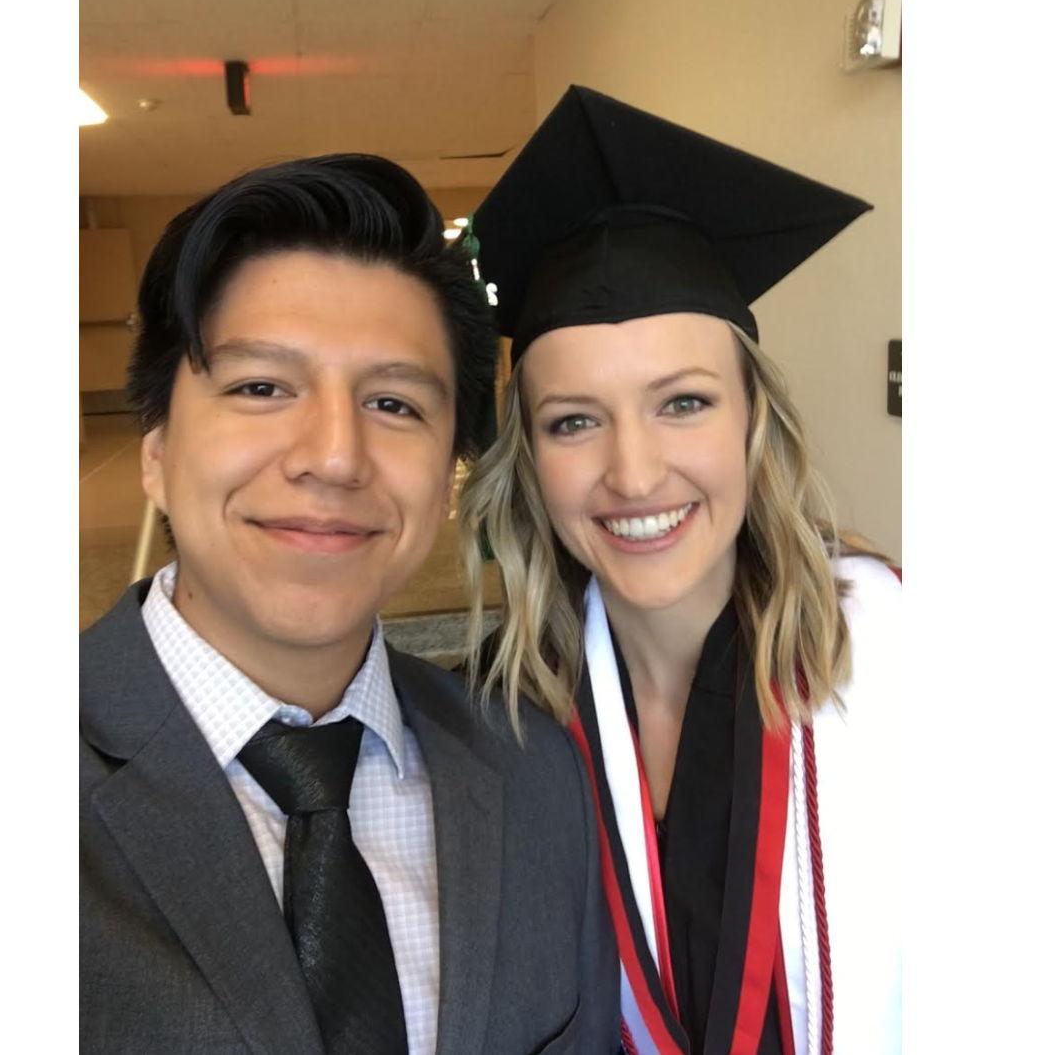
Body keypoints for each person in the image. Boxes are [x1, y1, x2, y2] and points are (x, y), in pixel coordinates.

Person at [80, 154, 621, 1054]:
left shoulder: (533, 773)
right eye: (260, 387)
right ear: (155, 449)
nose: (334, 456)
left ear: (450, 469)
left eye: (393, 402)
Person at [459, 87, 901, 1055]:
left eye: (683, 403)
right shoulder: (510, 708)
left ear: (755, 422)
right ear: (528, 459)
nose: (633, 471)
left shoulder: (908, 657)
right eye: (572, 420)